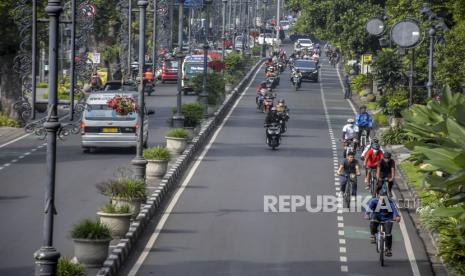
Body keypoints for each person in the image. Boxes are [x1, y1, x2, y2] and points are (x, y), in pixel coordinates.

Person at [365, 190, 401, 257]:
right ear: (378, 197)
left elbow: (395, 211)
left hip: (388, 219)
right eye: (381, 198)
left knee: (388, 234)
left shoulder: (391, 202)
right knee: (373, 222)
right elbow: (368, 209)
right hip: (377, 217)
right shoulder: (374, 201)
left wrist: (397, 216)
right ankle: (373, 235)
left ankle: (388, 249)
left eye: (385, 198)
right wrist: (367, 215)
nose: (383, 200)